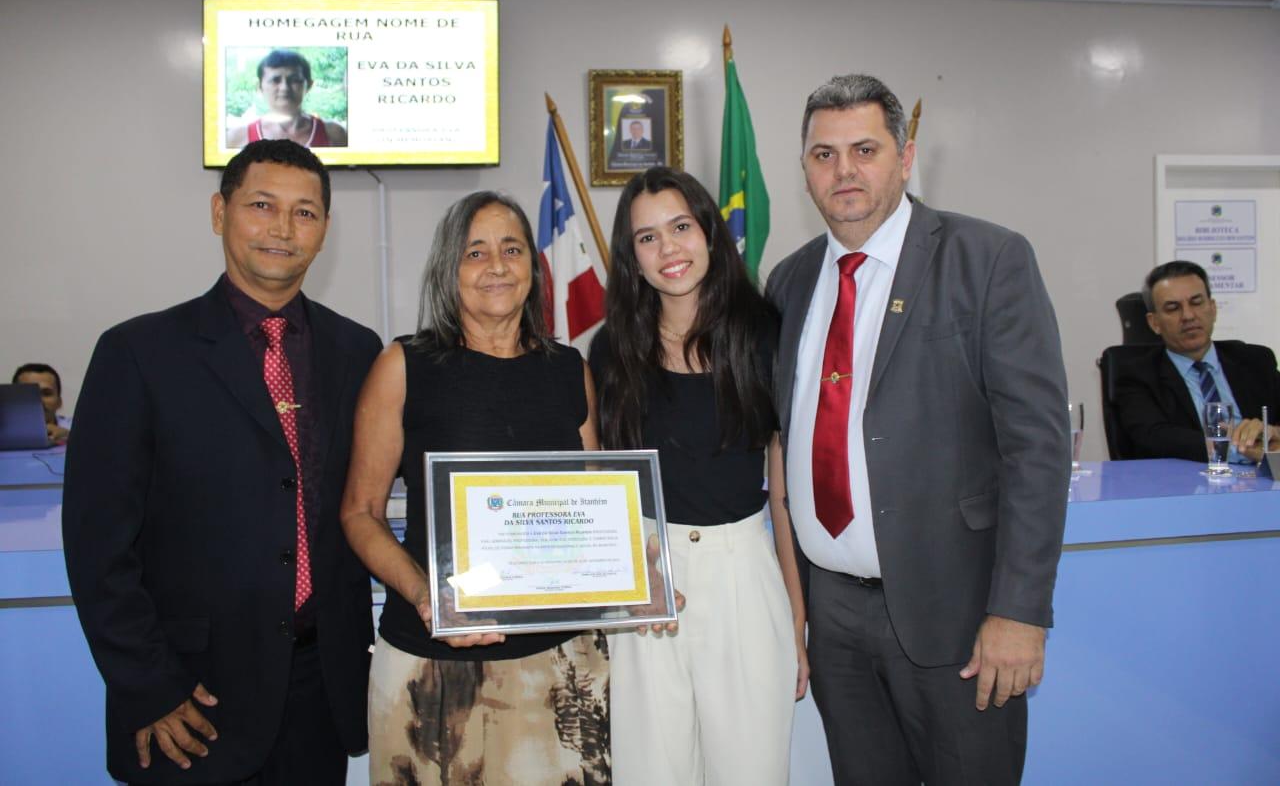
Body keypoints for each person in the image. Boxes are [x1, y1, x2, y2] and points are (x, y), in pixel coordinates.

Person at [766, 73, 1070, 785]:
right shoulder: (789, 282)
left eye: (865, 149)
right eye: (824, 154)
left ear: (905, 158)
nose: (844, 170)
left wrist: (1020, 612)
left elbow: (1037, 448)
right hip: (835, 618)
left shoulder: (986, 259)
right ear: (805, 170)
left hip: (958, 615)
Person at [62, 139, 382, 784]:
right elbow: (98, 547)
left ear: (324, 228)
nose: (282, 229)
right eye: (262, 205)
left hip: (320, 690)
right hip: (189, 698)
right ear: (219, 213)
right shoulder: (139, 353)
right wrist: (149, 686)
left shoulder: (357, 350)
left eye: (304, 212)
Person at [340, 191, 610, 786]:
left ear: (533, 266)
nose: (496, 266)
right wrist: (425, 595)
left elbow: (595, 508)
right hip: (436, 667)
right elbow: (360, 512)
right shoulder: (404, 366)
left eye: (511, 249)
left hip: (561, 666)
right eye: (476, 252)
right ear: (449, 268)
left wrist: (634, 574)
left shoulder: (570, 370)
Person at [589, 167, 807, 785]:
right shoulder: (610, 349)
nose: (669, 249)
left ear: (709, 231)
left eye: (680, 227)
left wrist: (795, 619)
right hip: (647, 580)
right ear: (632, 258)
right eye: (647, 237)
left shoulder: (765, 336)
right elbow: (601, 480)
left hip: (743, 573)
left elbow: (784, 492)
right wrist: (633, 572)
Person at [1112, 260, 1280, 462]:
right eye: (1173, 308)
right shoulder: (1137, 374)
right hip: (1188, 480)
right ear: (1154, 322)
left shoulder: (1256, 361)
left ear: (1213, 308)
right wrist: (1244, 449)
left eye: (1196, 302)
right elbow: (1154, 438)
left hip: (1262, 480)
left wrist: (1274, 434)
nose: (1188, 316)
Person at [227, 49, 348, 149]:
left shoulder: (334, 134)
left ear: (309, 85)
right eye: (275, 80)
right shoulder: (237, 138)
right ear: (259, 87)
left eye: (294, 80)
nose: (284, 88)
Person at [12, 362, 71, 444]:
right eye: (28, 393)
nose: (39, 400)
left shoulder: (77, 428)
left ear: (59, 401)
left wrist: (70, 435)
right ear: (13, 401)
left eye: (47, 393)